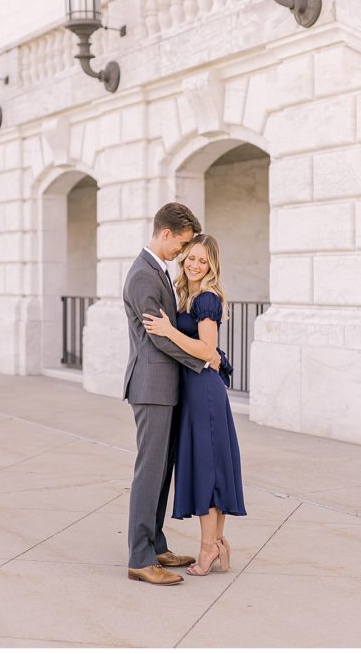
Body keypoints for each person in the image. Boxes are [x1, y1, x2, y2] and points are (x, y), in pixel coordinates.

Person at [122, 203, 221, 586]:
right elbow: (158, 337)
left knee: (162, 472)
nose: (182, 252)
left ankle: (156, 544)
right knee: (149, 473)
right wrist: (204, 358)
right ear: (166, 234)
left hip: (165, 386)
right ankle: (140, 558)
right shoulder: (143, 276)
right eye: (181, 245)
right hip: (151, 387)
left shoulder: (156, 271)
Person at [143, 233, 247, 576]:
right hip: (197, 392)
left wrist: (169, 331)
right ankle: (218, 545)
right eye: (192, 258)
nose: (196, 265)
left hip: (204, 394)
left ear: (211, 265)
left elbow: (207, 351)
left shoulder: (206, 299)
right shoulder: (188, 295)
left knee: (207, 470)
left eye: (203, 260)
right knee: (213, 469)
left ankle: (207, 550)